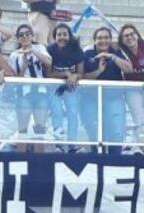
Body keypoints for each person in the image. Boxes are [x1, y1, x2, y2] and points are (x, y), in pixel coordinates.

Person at [80, 27, 133, 154]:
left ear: (110, 39)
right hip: (90, 98)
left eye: (106, 37)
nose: (103, 41)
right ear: (94, 40)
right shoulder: (87, 52)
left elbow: (129, 69)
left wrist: (111, 56)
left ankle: (115, 162)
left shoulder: (115, 51)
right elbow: (80, 76)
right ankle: (97, 161)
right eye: (99, 38)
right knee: (94, 130)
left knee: (116, 131)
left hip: (113, 97)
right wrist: (98, 72)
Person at [7, 23, 51, 152]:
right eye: (21, 35)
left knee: (40, 128)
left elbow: (49, 62)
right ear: (18, 38)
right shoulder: (14, 55)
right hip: (23, 93)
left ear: (32, 36)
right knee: (23, 128)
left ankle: (39, 159)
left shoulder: (40, 48)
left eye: (27, 34)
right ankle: (21, 158)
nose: (25, 37)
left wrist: (33, 51)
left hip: (40, 91)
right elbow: (15, 78)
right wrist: (24, 65)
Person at [46, 23, 84, 151]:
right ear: (55, 37)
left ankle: (72, 143)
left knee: (73, 112)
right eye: (59, 35)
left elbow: (81, 72)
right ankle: (59, 144)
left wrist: (75, 76)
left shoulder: (77, 50)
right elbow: (48, 74)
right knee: (57, 113)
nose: (62, 37)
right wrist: (66, 74)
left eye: (65, 34)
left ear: (70, 36)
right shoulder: (50, 50)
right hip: (54, 87)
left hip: (71, 87)